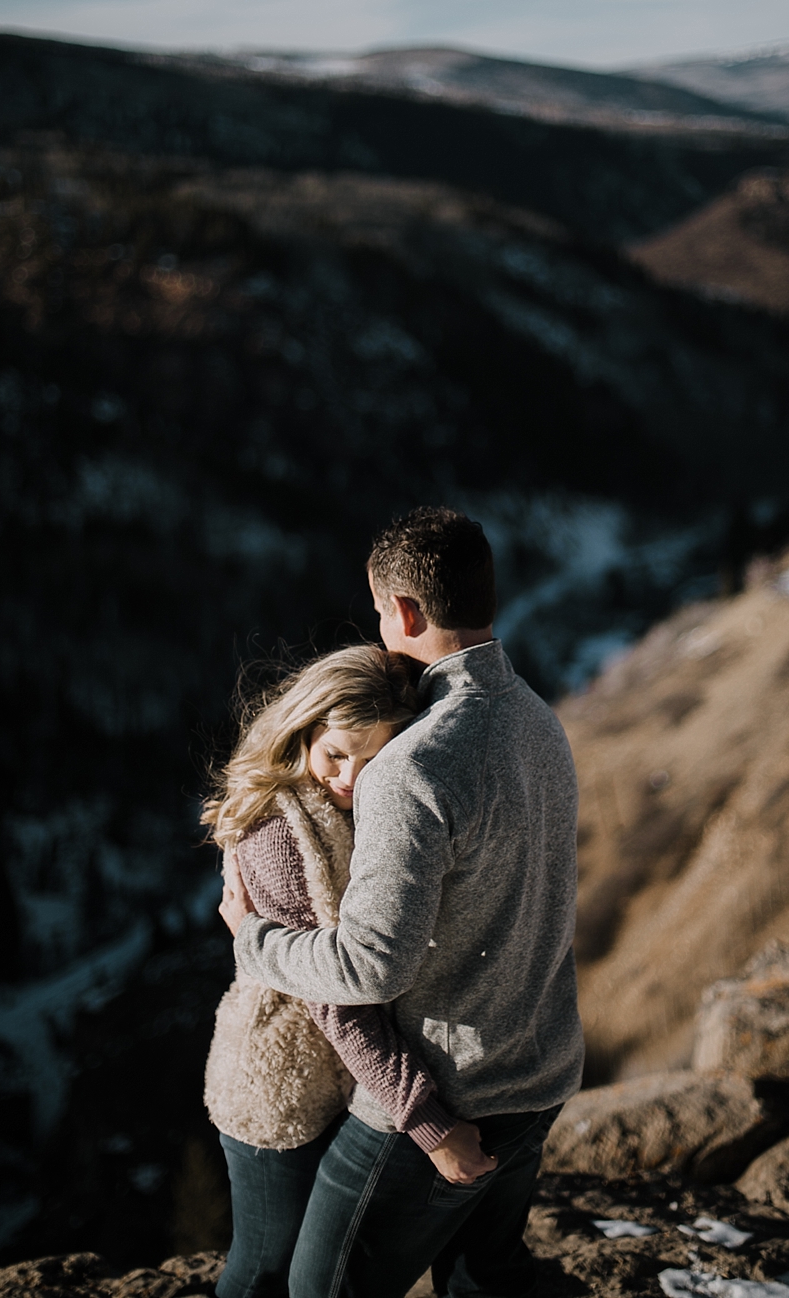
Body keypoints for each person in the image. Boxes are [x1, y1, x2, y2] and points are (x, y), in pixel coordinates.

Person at [223, 507, 584, 1298]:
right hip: (546, 1066)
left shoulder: (408, 767)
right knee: (483, 1277)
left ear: (407, 612)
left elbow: (368, 966)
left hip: (449, 1091)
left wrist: (251, 937)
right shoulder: (541, 722)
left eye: (381, 611)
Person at [203, 644, 495, 1298]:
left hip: (345, 1081)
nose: (348, 777)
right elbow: (332, 1000)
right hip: (276, 1087)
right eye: (336, 753)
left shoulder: (368, 803)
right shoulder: (278, 834)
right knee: (263, 1269)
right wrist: (428, 1123)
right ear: (304, 728)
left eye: (372, 760)